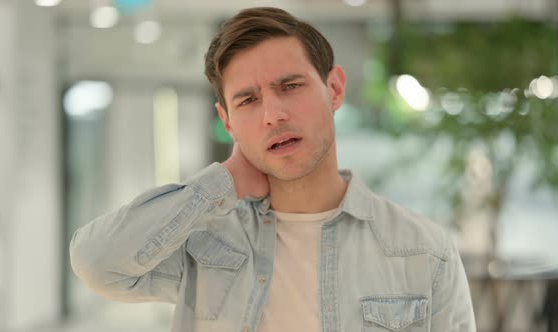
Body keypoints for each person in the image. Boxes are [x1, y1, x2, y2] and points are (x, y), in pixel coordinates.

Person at [70, 7, 476, 332]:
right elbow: (97, 262)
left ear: (334, 89)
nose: (273, 114)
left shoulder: (423, 251)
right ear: (227, 121)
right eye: (248, 100)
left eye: (290, 86)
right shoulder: (206, 242)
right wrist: (222, 182)